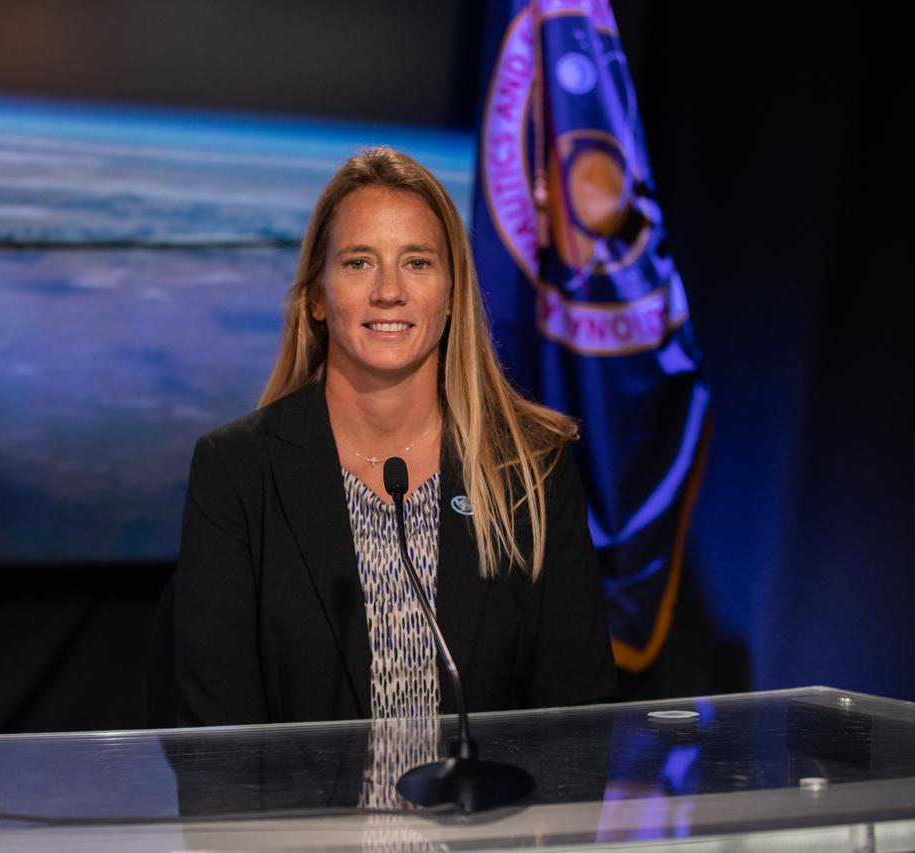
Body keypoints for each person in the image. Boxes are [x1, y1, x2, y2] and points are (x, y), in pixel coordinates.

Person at [170, 147, 616, 727]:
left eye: (417, 263)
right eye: (358, 262)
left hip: (491, 819)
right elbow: (215, 744)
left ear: (452, 294)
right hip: (298, 821)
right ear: (317, 298)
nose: (389, 291)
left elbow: (579, 719)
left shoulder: (530, 469)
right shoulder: (237, 472)